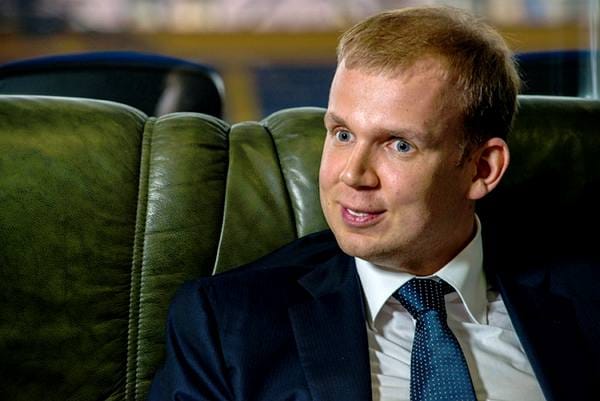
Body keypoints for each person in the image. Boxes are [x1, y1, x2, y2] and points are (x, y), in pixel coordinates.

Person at [148, 6, 599, 401]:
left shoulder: (585, 297)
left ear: (482, 168)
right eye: (343, 134)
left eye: (399, 145)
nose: (352, 175)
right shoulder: (226, 323)